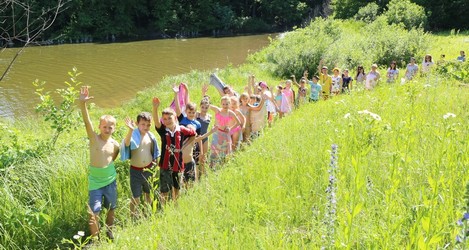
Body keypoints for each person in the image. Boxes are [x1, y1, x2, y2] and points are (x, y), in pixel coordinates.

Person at [78, 86, 120, 240]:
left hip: (110, 182)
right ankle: (96, 240)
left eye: (110, 127)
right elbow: (86, 121)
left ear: (114, 128)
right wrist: (83, 104)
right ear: (99, 127)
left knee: (111, 209)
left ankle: (109, 231)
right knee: (93, 212)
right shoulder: (94, 139)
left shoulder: (115, 144)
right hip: (95, 182)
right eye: (104, 127)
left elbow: (112, 158)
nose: (107, 129)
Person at [152, 97, 196, 205]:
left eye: (169, 118)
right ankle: (164, 207)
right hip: (165, 165)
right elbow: (157, 122)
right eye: (165, 119)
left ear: (175, 117)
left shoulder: (181, 129)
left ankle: (176, 205)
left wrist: (184, 146)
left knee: (177, 187)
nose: (167, 121)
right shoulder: (163, 130)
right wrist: (155, 108)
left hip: (178, 164)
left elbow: (193, 134)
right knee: (164, 189)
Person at [121, 112, 160, 219]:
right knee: (136, 197)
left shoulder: (151, 137)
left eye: (148, 125)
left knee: (148, 193)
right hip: (135, 171)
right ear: (137, 123)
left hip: (148, 170)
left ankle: (148, 213)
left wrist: (155, 166)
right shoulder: (134, 135)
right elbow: (127, 144)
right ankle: (132, 216)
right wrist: (130, 129)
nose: (145, 127)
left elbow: (155, 152)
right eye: (143, 124)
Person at [209, 96, 241, 167]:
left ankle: (222, 166)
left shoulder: (230, 113)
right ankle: (211, 166)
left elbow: (238, 122)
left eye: (227, 104)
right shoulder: (218, 110)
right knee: (214, 151)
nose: (225, 106)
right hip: (217, 133)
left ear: (229, 104)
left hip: (225, 134)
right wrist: (204, 94)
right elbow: (209, 105)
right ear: (221, 104)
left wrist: (230, 128)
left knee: (224, 152)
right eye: (223, 104)